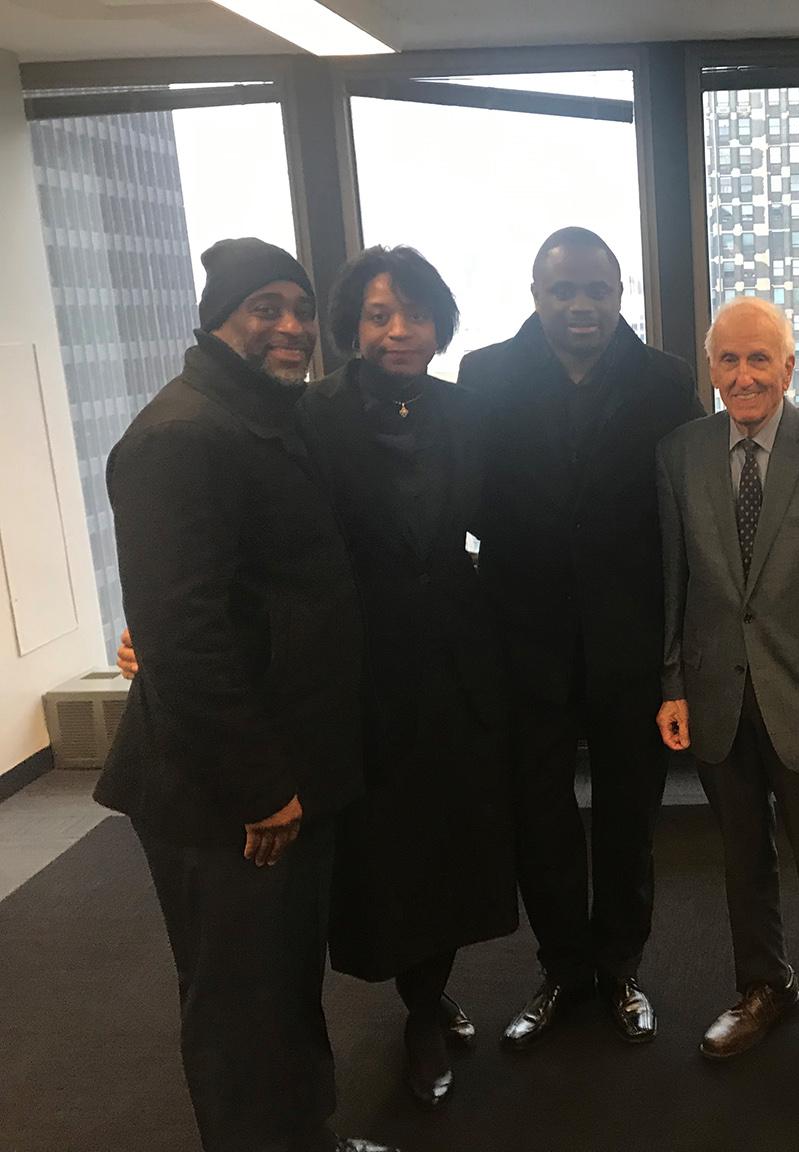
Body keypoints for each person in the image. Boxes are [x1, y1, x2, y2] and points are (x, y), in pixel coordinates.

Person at [95, 238, 393, 1152]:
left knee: (283, 986)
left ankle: (310, 1135)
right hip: (224, 793)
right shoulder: (177, 435)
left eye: (301, 309)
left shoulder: (268, 414)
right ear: (217, 318)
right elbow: (182, 638)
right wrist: (259, 787)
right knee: (236, 1010)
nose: (292, 327)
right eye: (266, 307)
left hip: (284, 767)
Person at [458, 227, 704, 1047]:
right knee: (540, 815)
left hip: (630, 644)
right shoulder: (484, 377)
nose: (581, 305)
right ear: (536, 294)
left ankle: (621, 965)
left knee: (630, 815)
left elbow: (684, 520)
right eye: (563, 290)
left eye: (597, 289)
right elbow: (465, 502)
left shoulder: (668, 383)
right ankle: (563, 965)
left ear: (619, 293)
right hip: (521, 641)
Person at [306, 246, 520, 1103]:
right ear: (352, 327)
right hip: (356, 659)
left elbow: (501, 529)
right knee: (380, 845)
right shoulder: (311, 417)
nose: (400, 331)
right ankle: (411, 998)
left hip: (454, 655)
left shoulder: (466, 414)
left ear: (440, 324)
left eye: (416, 314)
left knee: (448, 836)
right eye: (379, 315)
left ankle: (428, 1001)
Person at [655, 296, 799, 1093]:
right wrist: (673, 681)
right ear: (709, 369)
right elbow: (674, 583)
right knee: (740, 853)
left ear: (789, 367)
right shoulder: (679, 452)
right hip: (716, 691)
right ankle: (764, 985)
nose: (743, 376)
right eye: (728, 360)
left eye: (759, 360)